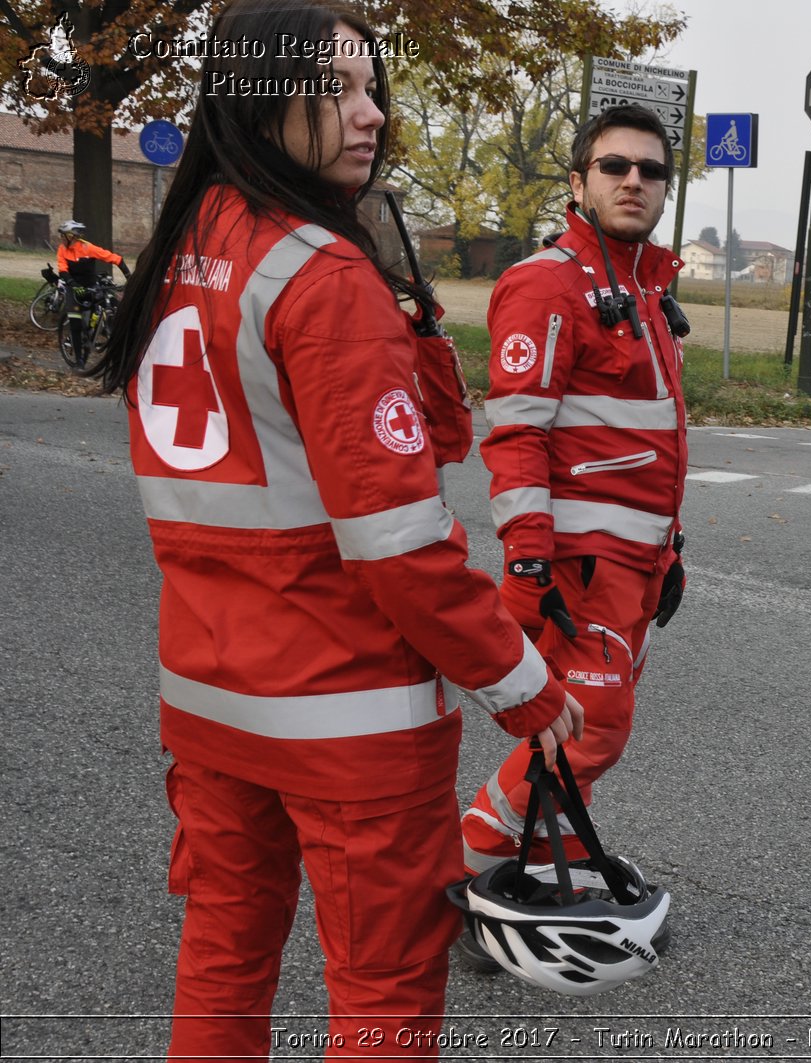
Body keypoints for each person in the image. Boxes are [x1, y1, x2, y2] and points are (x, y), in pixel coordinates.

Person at [94, 1, 581, 1057]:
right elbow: (400, 543)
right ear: (270, 104)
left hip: (211, 700)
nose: (371, 118)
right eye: (343, 92)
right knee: (385, 994)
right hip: (347, 718)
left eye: (374, 90)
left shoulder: (188, 248)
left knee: (223, 957)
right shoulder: (319, 277)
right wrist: (523, 685)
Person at [459, 104, 690, 962]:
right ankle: (465, 876)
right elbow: (518, 435)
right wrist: (526, 560)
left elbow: (643, 441)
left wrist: (671, 550)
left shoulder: (644, 288)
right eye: (614, 166)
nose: (634, 180)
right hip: (577, 568)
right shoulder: (548, 283)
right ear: (579, 181)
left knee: (585, 730)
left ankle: (504, 871)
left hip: (632, 567)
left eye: (651, 170)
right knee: (585, 726)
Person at [55, 219, 130, 355]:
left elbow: (116, 259)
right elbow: (63, 270)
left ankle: (96, 333)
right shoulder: (62, 250)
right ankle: (79, 361)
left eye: (63, 236)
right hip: (73, 288)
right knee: (76, 324)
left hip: (90, 286)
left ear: (71, 236)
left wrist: (129, 278)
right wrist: (74, 285)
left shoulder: (88, 248)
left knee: (109, 304)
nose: (61, 239)